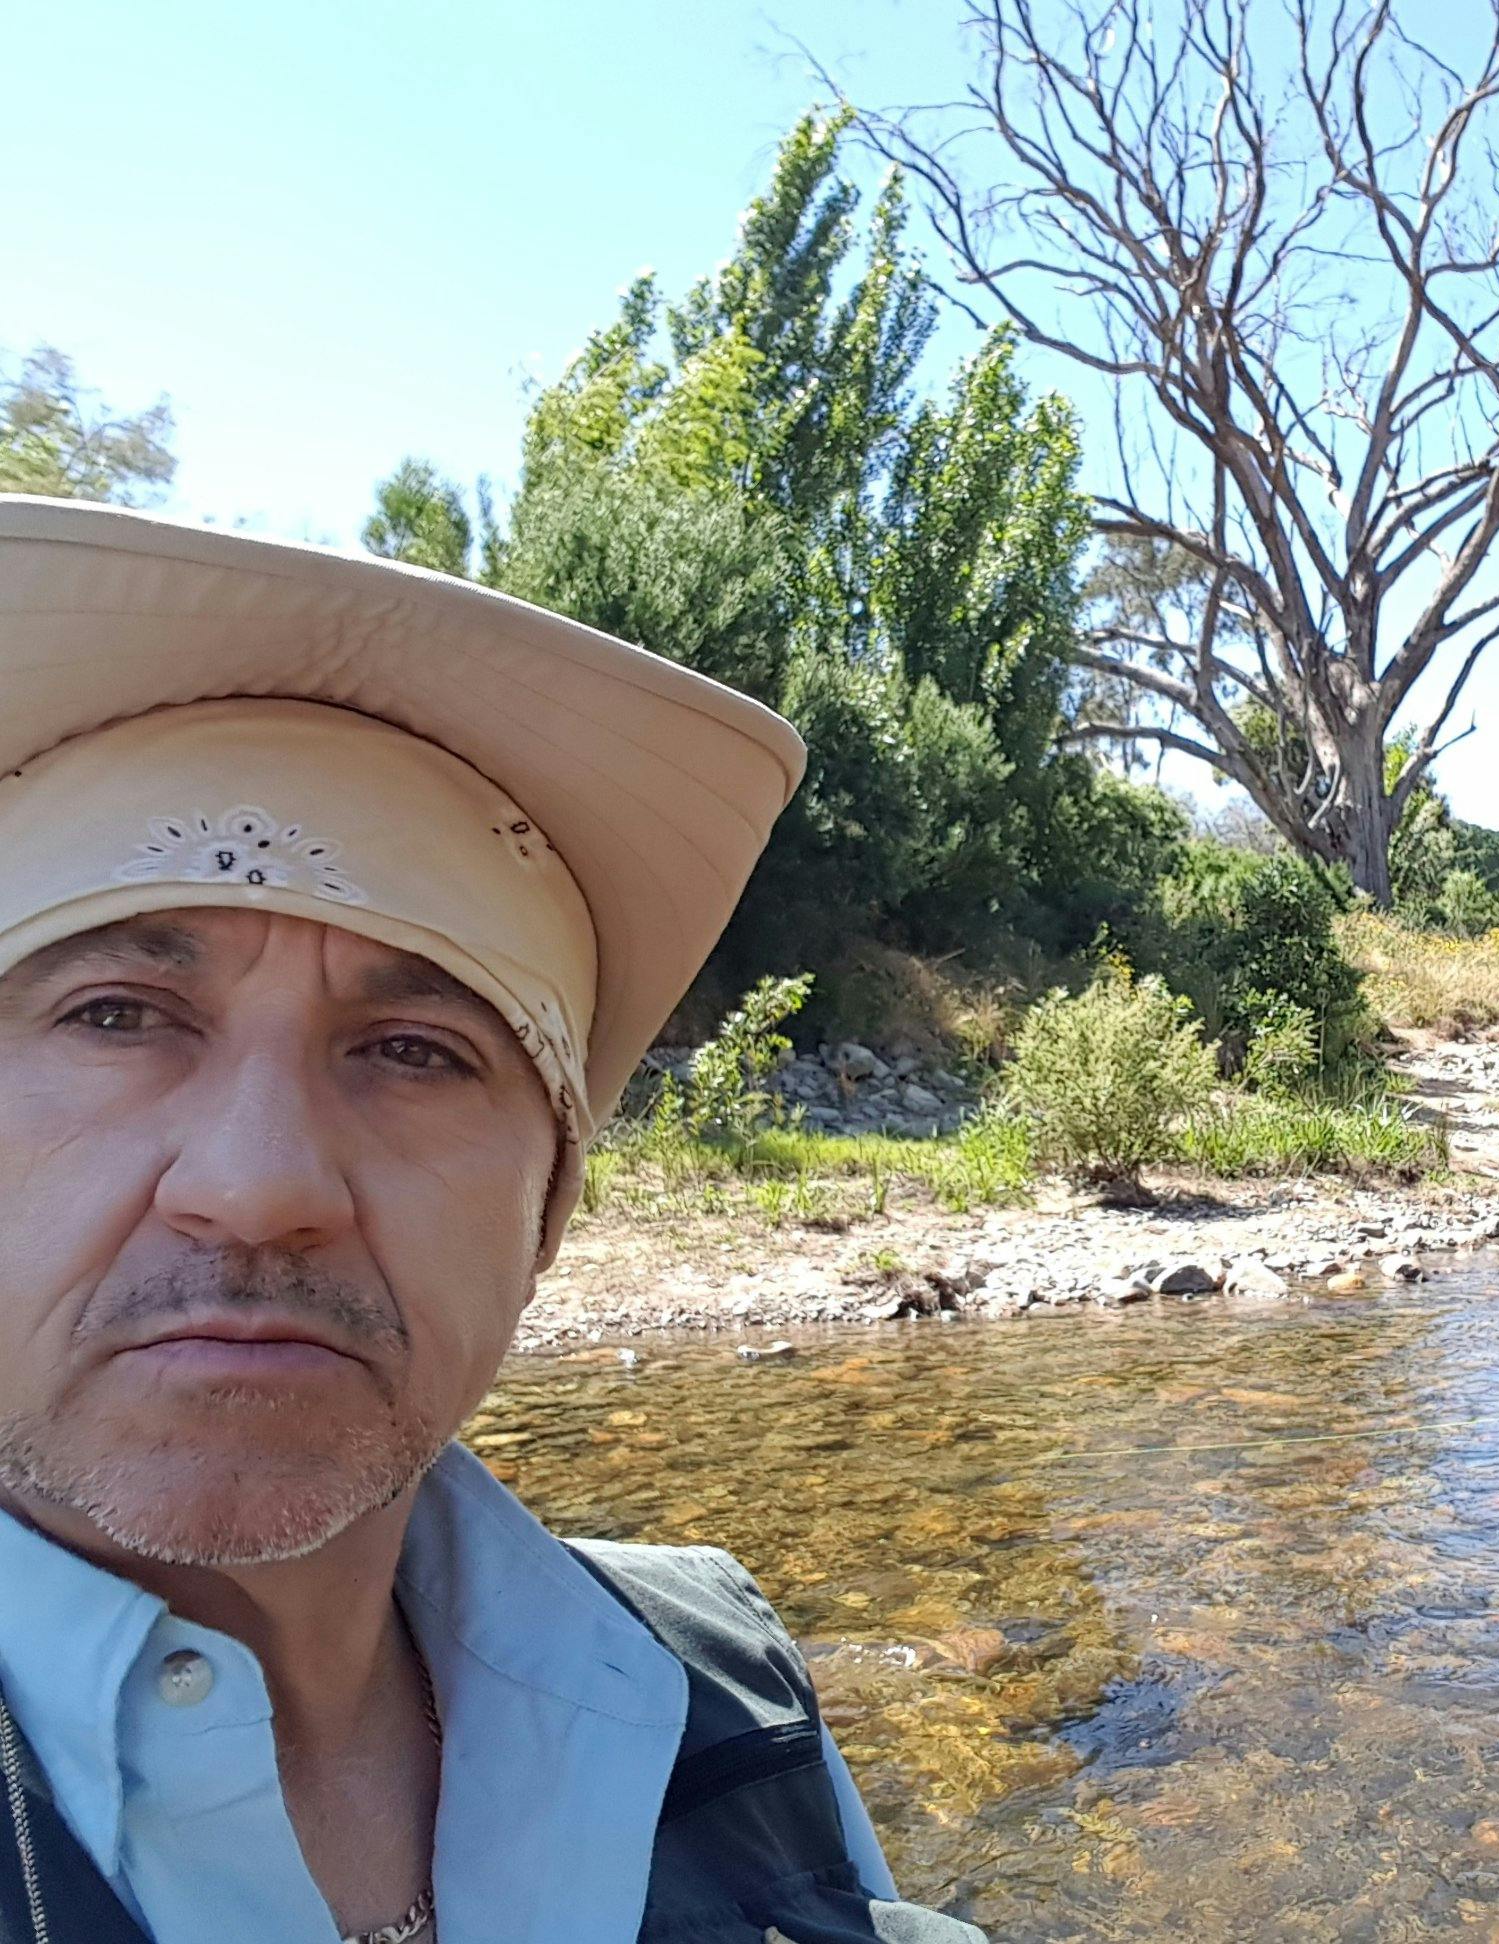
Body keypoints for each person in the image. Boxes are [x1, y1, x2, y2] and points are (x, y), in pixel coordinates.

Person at [0, 497, 982, 1944]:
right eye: (119, 1015)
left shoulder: (723, 1686)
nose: (262, 1184)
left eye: (415, 1050)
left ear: (549, 1211)